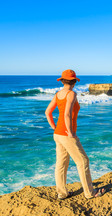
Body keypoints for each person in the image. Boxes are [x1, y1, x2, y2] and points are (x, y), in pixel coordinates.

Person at [45, 69, 104, 200]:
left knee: (61, 163)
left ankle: (62, 193)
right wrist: (71, 133)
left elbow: (47, 112)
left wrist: (55, 128)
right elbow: (66, 114)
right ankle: (90, 193)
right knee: (83, 161)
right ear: (74, 82)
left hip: (58, 134)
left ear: (62, 81)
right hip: (67, 134)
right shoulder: (71, 94)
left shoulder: (58, 94)